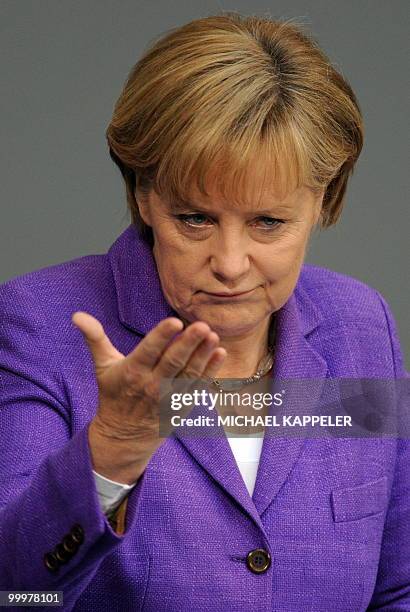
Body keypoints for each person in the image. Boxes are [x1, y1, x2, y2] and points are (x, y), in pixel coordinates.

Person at [0, 12, 408, 611]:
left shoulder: (360, 326)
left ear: (324, 198)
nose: (231, 262)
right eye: (195, 219)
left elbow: (397, 587)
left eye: (268, 222)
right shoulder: (40, 325)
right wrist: (109, 455)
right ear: (144, 194)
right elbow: (14, 593)